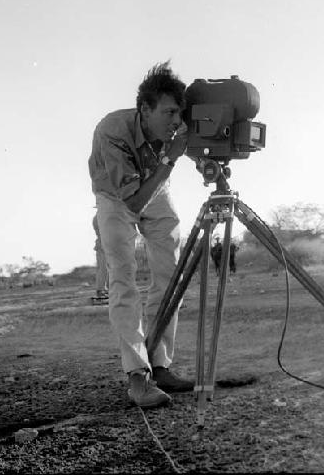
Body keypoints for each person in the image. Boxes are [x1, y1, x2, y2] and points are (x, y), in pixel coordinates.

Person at [88, 62, 193, 409]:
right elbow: (132, 200)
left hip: (154, 186)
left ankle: (159, 364)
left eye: (180, 113)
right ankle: (138, 376)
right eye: (169, 113)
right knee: (123, 279)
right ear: (144, 110)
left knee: (170, 274)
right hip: (116, 198)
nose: (176, 121)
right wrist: (171, 161)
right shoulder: (112, 130)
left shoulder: (171, 127)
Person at [92, 213, 109, 300]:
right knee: (103, 268)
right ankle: (101, 289)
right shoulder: (100, 217)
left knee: (103, 268)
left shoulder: (99, 216)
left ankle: (103, 289)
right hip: (104, 244)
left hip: (103, 244)